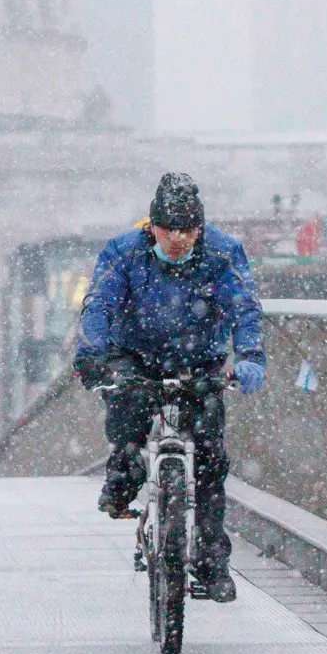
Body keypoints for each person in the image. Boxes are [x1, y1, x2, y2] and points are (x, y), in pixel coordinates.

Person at [73, 171, 266, 604]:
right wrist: (92, 356)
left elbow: (245, 309)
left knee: (211, 458)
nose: (178, 239)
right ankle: (124, 471)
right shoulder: (123, 253)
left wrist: (250, 357)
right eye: (168, 229)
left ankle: (212, 559)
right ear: (151, 226)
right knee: (129, 406)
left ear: (200, 229)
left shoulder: (223, 253)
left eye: (188, 231)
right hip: (135, 355)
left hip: (199, 358)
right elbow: (99, 305)